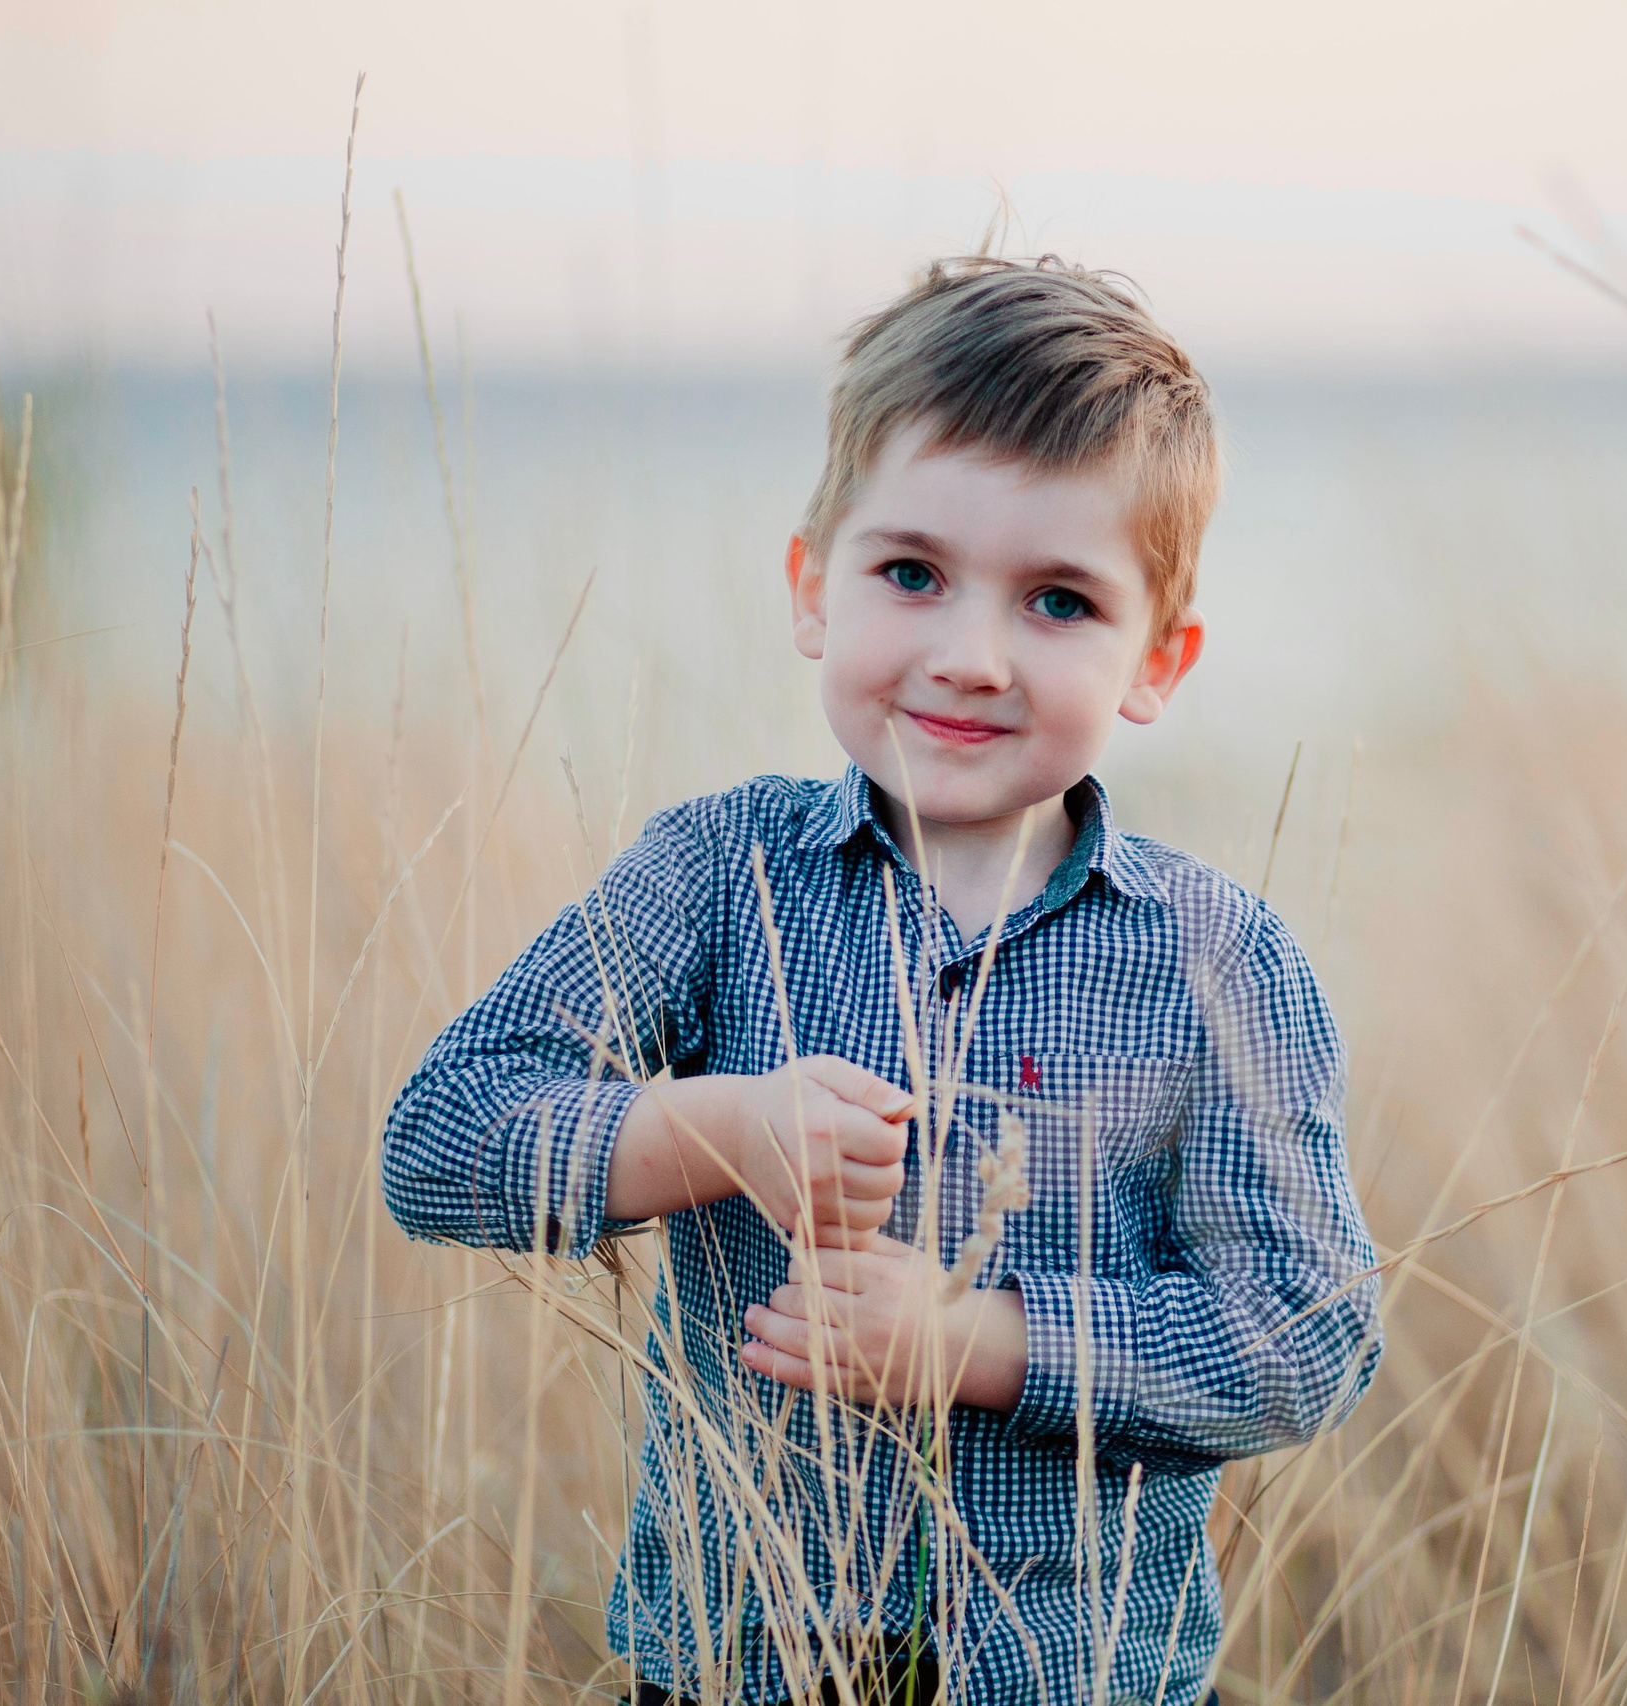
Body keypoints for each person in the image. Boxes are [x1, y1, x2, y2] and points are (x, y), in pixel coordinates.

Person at [381, 256, 1384, 1705]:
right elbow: (440, 1138)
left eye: (1057, 601)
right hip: (750, 1659)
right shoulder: (719, 875)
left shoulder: (1213, 959)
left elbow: (1306, 1330)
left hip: (1079, 1674)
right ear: (813, 586)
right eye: (911, 574)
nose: (969, 655)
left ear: (1158, 658)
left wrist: (976, 1341)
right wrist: (716, 1129)